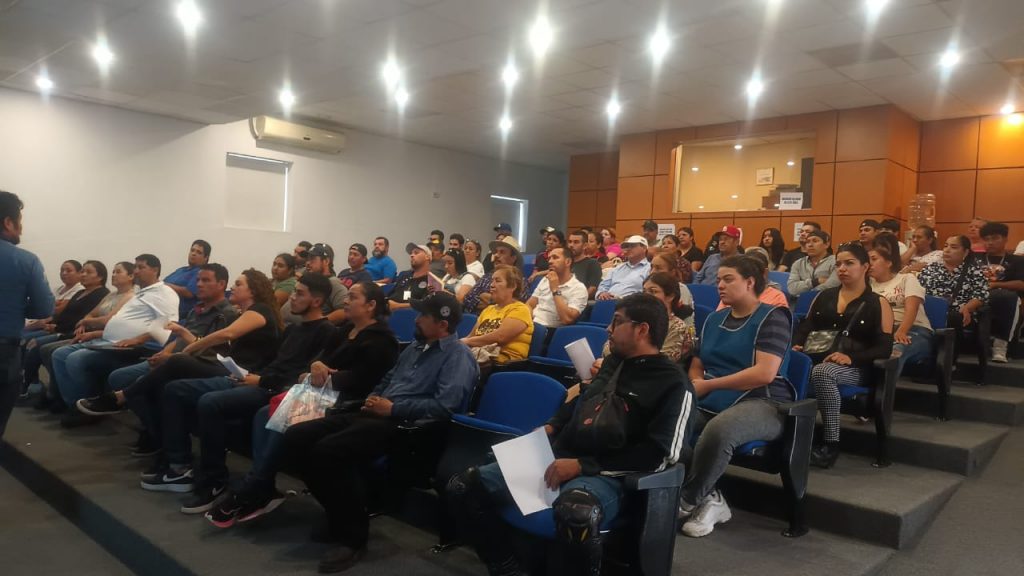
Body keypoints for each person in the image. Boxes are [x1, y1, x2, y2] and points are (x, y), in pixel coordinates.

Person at [448, 293, 694, 575]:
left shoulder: (674, 383)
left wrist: (582, 465)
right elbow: (584, 400)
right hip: (561, 455)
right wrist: (552, 425)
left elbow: (660, 454)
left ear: (642, 330)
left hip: (608, 474)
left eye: (617, 322)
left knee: (576, 514)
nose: (609, 329)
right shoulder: (613, 363)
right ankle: (505, 566)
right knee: (463, 487)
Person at [286, 291, 478, 573]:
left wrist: (393, 408)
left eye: (424, 315)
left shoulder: (457, 356)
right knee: (296, 437)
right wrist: (374, 398)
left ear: (443, 324)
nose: (416, 319)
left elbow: (445, 406)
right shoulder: (415, 348)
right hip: (376, 414)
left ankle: (353, 537)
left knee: (328, 451)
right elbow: (388, 379)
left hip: (408, 427)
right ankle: (339, 514)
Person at [206, 282, 400, 528]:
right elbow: (320, 361)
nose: (345, 301)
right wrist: (316, 367)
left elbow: (364, 379)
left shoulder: (382, 340)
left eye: (352, 297)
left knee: (284, 415)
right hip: (321, 394)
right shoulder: (345, 330)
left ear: (371, 305)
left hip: (348, 402)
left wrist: (324, 376)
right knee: (264, 414)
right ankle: (262, 485)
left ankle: (253, 487)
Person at [143, 274, 337, 511]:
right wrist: (251, 375)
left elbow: (302, 377)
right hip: (259, 380)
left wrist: (260, 380)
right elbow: (275, 363)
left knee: (210, 402)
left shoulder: (327, 332)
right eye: (294, 291)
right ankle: (178, 465)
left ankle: (214, 480)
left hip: (278, 391)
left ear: (316, 301)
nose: (292, 298)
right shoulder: (294, 329)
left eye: (299, 293)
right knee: (176, 389)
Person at [678, 255, 795, 537]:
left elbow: (764, 373)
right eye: (718, 279)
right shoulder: (714, 318)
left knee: (720, 430)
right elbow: (698, 362)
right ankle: (712, 496)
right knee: (671, 424)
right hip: (714, 395)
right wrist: (696, 380)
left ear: (750, 282)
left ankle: (686, 500)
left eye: (728, 279)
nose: (720, 285)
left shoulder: (773, 317)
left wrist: (709, 385)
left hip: (764, 400)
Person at [793, 243, 894, 469]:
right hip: (817, 359)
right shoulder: (823, 297)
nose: (842, 268)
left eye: (849, 263)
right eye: (838, 264)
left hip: (858, 369)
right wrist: (796, 345)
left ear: (865, 267)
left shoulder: (877, 302)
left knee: (823, 372)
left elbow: (884, 348)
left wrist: (851, 358)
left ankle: (831, 444)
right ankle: (789, 439)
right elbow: (805, 328)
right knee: (785, 365)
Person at [49, 254, 180, 427]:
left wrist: (137, 339)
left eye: (141, 267)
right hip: (107, 339)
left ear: (155, 270)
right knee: (59, 354)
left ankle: (90, 408)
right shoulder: (141, 293)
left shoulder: (165, 293)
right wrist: (96, 334)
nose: (136, 271)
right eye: (135, 267)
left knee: (76, 359)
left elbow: (168, 325)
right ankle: (74, 404)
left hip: (133, 347)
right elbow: (118, 321)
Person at [32, 262, 136, 412]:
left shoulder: (130, 296)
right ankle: (66, 399)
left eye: (118, 272)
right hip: (90, 333)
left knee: (67, 355)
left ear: (131, 276)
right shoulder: (112, 294)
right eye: (113, 271)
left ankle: (80, 402)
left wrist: (86, 322)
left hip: (106, 337)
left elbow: (108, 320)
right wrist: (85, 322)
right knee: (54, 352)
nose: (114, 275)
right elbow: (91, 314)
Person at [0, 190, 54, 437]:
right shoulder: (25, 260)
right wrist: (18, 305)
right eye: (19, 221)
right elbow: (44, 309)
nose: (21, 228)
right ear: (8, 222)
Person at [20, 260, 109, 398]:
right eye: (83, 271)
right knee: (29, 341)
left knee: (38, 345)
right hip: (62, 328)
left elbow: (81, 318)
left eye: (88, 272)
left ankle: (47, 390)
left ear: (100, 276)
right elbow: (66, 314)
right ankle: (36, 385)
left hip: (74, 332)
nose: (83, 274)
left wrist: (57, 327)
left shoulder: (102, 293)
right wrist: (54, 325)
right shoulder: (80, 293)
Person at [869, 234, 934, 376]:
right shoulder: (868, 285)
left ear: (888, 262)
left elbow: (912, 309)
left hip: (913, 330)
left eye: (874, 259)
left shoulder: (906, 279)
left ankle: (884, 389)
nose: (869, 264)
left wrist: (902, 331)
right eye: (867, 260)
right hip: (883, 332)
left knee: (895, 351)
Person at [918, 235, 989, 337]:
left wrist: (967, 308)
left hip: (959, 313)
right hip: (931, 311)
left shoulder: (974, 271)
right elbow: (918, 291)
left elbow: (981, 294)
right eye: (946, 246)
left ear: (965, 252)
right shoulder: (930, 269)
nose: (947, 250)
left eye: (954, 247)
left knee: (955, 318)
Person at [463, 266, 534, 364]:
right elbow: (471, 336)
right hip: (479, 356)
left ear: (512, 286)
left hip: (503, 362)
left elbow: (500, 337)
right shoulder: (488, 310)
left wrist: (467, 341)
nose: (491, 285)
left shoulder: (520, 309)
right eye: (492, 281)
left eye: (498, 281)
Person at [978, 222, 1024, 363]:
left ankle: (1000, 345)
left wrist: (995, 285)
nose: (990, 242)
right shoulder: (975, 258)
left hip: (1005, 297)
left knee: (1007, 297)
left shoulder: (1017, 260)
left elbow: (1021, 284)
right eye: (986, 239)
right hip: (977, 295)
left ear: (1005, 239)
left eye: (995, 238)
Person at [281, 243, 348, 326]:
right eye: (307, 259)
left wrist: (316, 325)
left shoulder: (333, 283)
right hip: (289, 327)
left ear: (326, 261)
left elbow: (344, 311)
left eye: (312, 259)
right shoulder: (305, 277)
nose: (308, 263)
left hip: (307, 331)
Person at [527, 247, 588, 328]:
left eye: (555, 257)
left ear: (568, 262)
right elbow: (529, 305)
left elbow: (567, 319)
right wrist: (527, 320)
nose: (550, 261)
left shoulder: (579, 288)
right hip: (531, 324)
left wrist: (555, 289)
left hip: (550, 330)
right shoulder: (545, 280)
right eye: (549, 258)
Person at [23, 259, 83, 337]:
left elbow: (57, 311)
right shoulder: (57, 289)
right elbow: (43, 306)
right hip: (36, 322)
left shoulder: (79, 289)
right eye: (62, 270)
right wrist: (52, 305)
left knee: (22, 337)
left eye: (68, 271)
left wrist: (50, 305)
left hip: (52, 326)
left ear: (79, 273)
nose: (64, 273)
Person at [464, 237, 520, 314]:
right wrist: (497, 301)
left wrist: (488, 298)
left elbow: (515, 305)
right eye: (496, 252)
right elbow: (468, 299)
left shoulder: (519, 280)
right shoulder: (487, 276)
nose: (496, 255)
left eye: (502, 252)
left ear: (513, 258)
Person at [718, 250, 788, 310]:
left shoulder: (777, 297)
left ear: (765, 273)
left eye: (728, 279)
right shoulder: (732, 295)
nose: (720, 286)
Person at [164, 240, 212, 319]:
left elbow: (188, 292)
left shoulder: (201, 273)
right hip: (162, 308)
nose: (193, 254)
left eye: (199, 252)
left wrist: (163, 285)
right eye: (192, 250)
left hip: (179, 316)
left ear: (206, 258)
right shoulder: (181, 270)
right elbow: (164, 282)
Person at [388, 243, 444, 310]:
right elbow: (389, 296)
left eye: (416, 253)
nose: (411, 255)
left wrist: (397, 306)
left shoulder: (432, 281)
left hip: (409, 315)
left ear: (427, 257)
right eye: (411, 253)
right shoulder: (404, 275)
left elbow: (427, 305)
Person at [596, 236, 651, 300]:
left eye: (632, 246)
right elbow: (603, 286)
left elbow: (648, 293)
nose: (628, 249)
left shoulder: (650, 268)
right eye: (627, 246)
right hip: (608, 301)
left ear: (644, 248)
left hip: (632, 303)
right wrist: (602, 293)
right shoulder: (617, 268)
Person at [787, 230, 839, 297]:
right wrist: (815, 281)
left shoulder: (836, 261)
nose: (810, 245)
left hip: (827, 300)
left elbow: (832, 285)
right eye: (807, 242)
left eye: (815, 241)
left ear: (826, 244)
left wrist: (808, 294)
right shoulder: (798, 263)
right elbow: (792, 289)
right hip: (800, 300)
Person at [566, 230, 602, 298]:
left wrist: (578, 300)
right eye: (570, 242)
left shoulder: (592, 263)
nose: (571, 245)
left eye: (576, 242)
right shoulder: (565, 263)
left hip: (580, 301)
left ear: (585, 245)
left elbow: (592, 289)